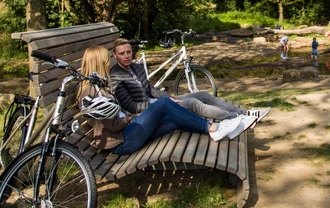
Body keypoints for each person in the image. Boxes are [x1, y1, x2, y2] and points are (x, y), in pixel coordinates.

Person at [77, 46, 255, 155]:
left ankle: (222, 128)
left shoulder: (99, 87)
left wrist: (136, 116)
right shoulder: (91, 93)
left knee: (175, 120)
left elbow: (123, 113)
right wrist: (137, 116)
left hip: (127, 134)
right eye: (106, 61)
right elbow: (115, 125)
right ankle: (212, 127)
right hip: (122, 142)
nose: (109, 64)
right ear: (98, 64)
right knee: (164, 105)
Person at [108, 38, 270, 121]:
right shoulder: (116, 76)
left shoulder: (137, 67)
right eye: (122, 54)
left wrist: (167, 97)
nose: (126, 56)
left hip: (161, 103)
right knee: (193, 104)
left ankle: (245, 113)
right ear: (115, 55)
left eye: (128, 52)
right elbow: (130, 106)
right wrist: (163, 103)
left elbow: (151, 90)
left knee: (203, 95)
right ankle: (238, 119)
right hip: (148, 113)